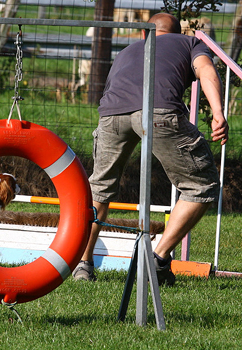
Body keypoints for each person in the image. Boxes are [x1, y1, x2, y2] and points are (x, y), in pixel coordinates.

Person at [72, 13, 229, 285]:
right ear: (177, 32)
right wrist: (217, 112)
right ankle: (157, 259)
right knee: (200, 186)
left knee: (99, 188)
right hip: (160, 111)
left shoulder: (128, 50)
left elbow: (112, 87)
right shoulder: (190, 43)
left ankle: (82, 265)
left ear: (145, 34)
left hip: (111, 114)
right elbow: (205, 70)